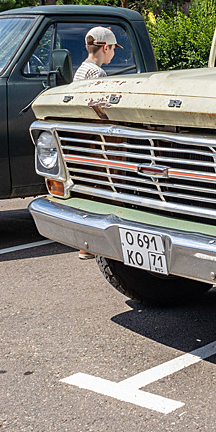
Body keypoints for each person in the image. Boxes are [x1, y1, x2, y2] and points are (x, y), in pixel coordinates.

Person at [74, 27, 121, 260]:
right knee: (100, 190)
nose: (113, 54)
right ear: (105, 48)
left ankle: (84, 244)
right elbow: (101, 109)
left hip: (79, 138)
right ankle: (90, 245)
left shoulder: (81, 70)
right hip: (94, 141)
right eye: (113, 49)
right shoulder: (99, 75)